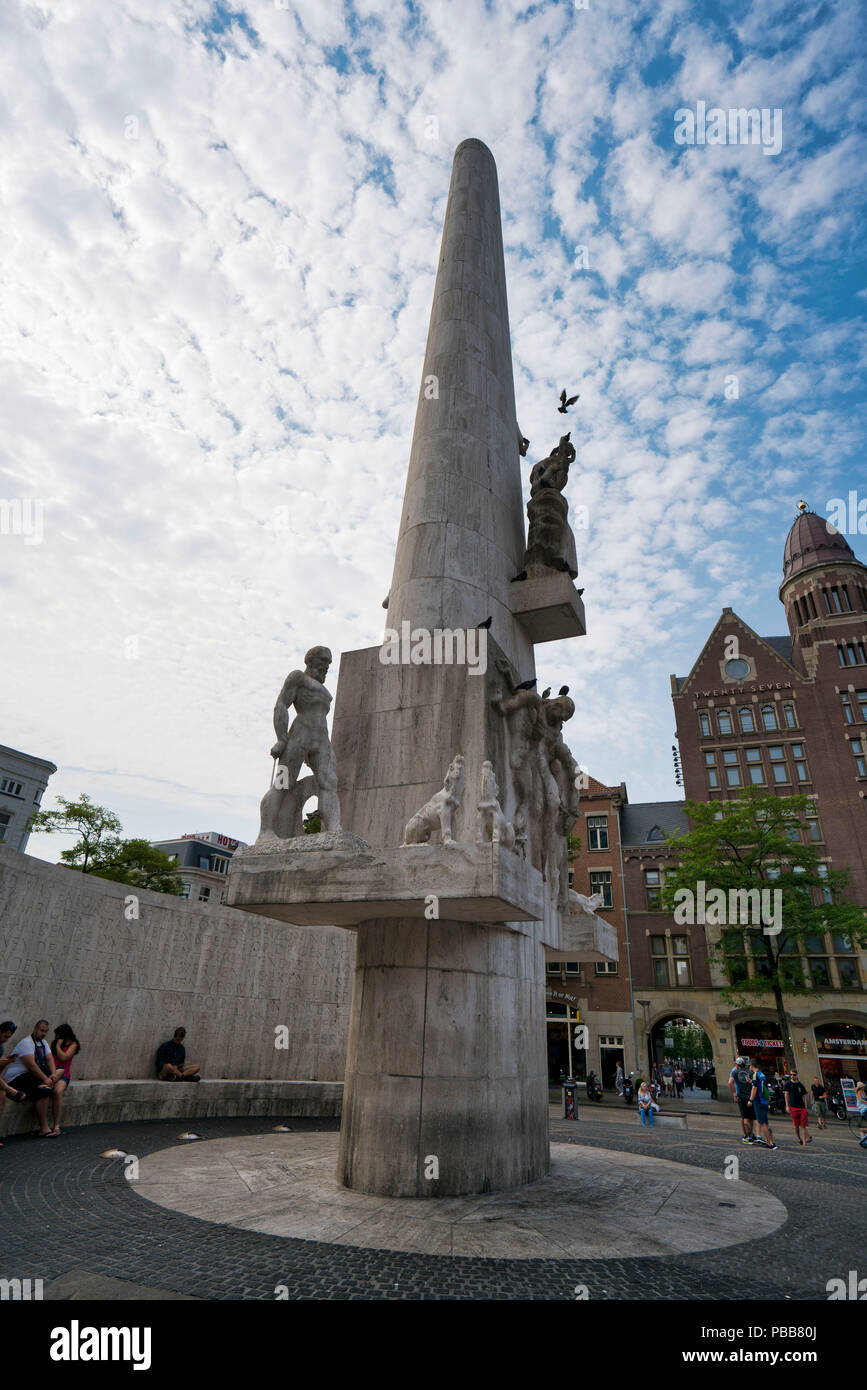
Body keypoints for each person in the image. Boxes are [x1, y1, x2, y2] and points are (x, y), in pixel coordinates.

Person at [3, 1019, 55, 1136]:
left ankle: (44, 1128)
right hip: (16, 1079)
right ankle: (44, 1128)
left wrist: (53, 1074)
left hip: (31, 1077)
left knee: (51, 1082)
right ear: (35, 1029)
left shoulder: (44, 1043)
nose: (44, 1033)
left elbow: (49, 1059)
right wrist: (46, 1079)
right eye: (42, 1030)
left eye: (46, 1031)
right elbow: (31, 1066)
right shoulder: (26, 1043)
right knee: (43, 1090)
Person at [41, 1024, 80, 1136]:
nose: (56, 1037)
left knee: (57, 1092)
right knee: (46, 1091)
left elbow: (64, 1057)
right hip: (52, 1072)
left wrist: (58, 1046)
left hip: (64, 1074)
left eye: (58, 1034)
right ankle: (44, 1125)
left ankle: (56, 1126)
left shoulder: (73, 1044)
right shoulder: (54, 1044)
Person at [0, 1022, 27, 1147]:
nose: (6, 1040)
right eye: (5, 1036)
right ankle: (12, 1091)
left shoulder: (0, 1048)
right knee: (5, 1091)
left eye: (8, 1037)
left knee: (1, 1094)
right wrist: (11, 1089)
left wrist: (7, 1062)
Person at [728, 1055, 757, 1144]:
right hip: (751, 1098)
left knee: (745, 1117)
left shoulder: (735, 1072)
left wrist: (734, 1094)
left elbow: (730, 1083)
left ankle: (747, 1136)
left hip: (742, 1097)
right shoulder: (750, 1072)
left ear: (737, 1064)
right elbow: (754, 1084)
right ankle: (751, 1134)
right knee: (751, 1117)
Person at [749, 1062, 777, 1149]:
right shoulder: (762, 1075)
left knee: (762, 1123)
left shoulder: (755, 1074)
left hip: (759, 1101)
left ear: (752, 1066)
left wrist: (750, 1100)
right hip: (764, 1101)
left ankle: (768, 1143)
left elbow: (754, 1088)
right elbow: (763, 1087)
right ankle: (772, 1142)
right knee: (767, 1123)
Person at [783, 1068, 811, 1146]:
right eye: (791, 1075)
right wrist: (787, 1106)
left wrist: (805, 1107)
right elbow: (786, 1095)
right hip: (793, 1107)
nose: (792, 1076)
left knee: (803, 1125)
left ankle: (804, 1142)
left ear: (797, 1075)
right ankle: (799, 1138)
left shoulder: (800, 1085)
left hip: (801, 1107)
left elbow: (804, 1096)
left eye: (794, 1075)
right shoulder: (788, 1084)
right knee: (796, 1125)